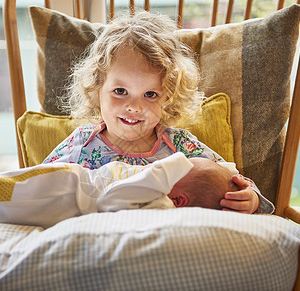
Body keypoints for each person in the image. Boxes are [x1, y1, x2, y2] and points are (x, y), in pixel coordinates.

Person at [42, 11, 274, 214]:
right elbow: (35, 184)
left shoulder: (180, 146)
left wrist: (250, 199)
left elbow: (228, 181)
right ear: (96, 89)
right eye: (120, 91)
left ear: (168, 97)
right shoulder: (82, 144)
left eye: (150, 94)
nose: (134, 106)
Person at [0, 153, 238, 228]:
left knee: (12, 193)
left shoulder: (160, 204)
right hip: (74, 181)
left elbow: (111, 198)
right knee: (16, 182)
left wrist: (164, 171)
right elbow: (225, 169)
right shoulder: (160, 194)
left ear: (180, 200)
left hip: (70, 193)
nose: (164, 164)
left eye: (178, 169)